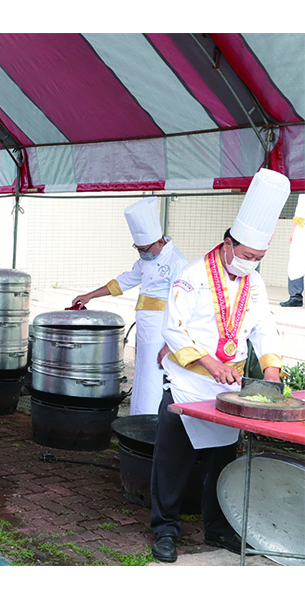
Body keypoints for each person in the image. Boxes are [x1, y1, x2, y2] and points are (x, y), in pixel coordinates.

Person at [150, 168, 289, 563]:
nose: (251, 264)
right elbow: (173, 330)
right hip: (187, 386)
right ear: (228, 243)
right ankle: (165, 530)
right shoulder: (192, 275)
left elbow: (263, 327)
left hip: (229, 391)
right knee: (172, 464)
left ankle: (217, 529)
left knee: (221, 463)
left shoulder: (254, 284)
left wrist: (272, 371)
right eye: (247, 256)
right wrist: (210, 364)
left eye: (259, 258)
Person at [72, 197, 187, 415]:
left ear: (160, 242)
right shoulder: (146, 260)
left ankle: (153, 422)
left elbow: (183, 307)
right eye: (138, 248)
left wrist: (171, 344)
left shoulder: (178, 263)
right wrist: (90, 296)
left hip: (163, 330)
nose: (141, 253)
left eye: (144, 248)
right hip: (145, 329)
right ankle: (138, 417)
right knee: (143, 374)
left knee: (156, 376)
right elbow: (122, 282)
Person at [281, 195, 305, 307]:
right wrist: (294, 230)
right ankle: (295, 297)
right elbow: (299, 210)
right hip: (301, 226)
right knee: (295, 261)